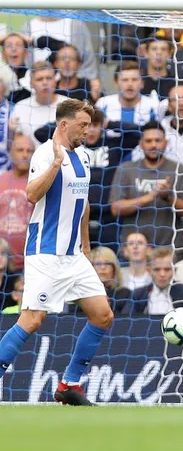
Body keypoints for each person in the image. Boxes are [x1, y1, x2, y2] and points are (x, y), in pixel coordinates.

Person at [0, 100, 112, 406]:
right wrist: (55, 165)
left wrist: (86, 247)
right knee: (32, 320)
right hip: (45, 253)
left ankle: (69, 385)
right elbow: (32, 194)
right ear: (64, 124)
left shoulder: (84, 156)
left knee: (102, 315)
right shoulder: (45, 153)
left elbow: (83, 204)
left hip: (74, 256)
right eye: (82, 125)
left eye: (89, 125)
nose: (87, 130)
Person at [109, 121, 183, 247]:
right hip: (133, 249)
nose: (153, 145)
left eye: (158, 140)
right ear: (140, 144)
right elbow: (116, 209)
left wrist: (167, 197)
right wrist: (149, 197)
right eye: (148, 141)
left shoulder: (180, 169)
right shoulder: (126, 169)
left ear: (166, 143)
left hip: (169, 249)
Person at [0, 135, 34, 270]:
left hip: (28, 264)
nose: (25, 155)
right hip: (2, 262)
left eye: (29, 151)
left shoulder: (38, 184)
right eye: (20, 150)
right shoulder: (1, 181)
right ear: (10, 153)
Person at [132, 247, 183, 314]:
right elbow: (128, 319)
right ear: (149, 271)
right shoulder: (138, 295)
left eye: (167, 269)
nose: (162, 274)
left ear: (175, 270)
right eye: (157, 269)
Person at [89, 247, 133, 314]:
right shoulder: (83, 294)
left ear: (114, 268)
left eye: (107, 263)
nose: (103, 267)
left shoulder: (125, 294)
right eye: (98, 264)